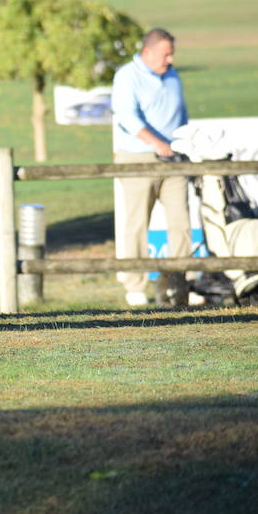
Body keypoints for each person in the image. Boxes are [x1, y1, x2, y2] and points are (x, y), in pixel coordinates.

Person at [111, 27, 190, 307]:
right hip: (137, 158)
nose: (170, 59)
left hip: (173, 160)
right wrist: (157, 143)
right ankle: (134, 286)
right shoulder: (127, 76)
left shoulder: (172, 75)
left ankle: (176, 283)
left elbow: (181, 113)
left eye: (172, 54)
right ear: (148, 51)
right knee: (136, 223)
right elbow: (127, 118)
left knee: (181, 222)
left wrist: (184, 141)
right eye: (165, 54)